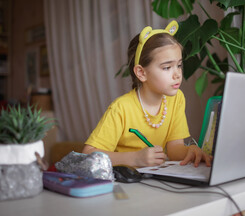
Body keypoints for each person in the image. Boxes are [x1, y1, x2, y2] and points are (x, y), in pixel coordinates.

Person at [82, 20, 212, 168]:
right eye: (167, 67)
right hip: (125, 186)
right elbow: (87, 155)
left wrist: (190, 151)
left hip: (155, 183)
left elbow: (174, 149)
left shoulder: (176, 99)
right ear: (141, 73)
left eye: (179, 65)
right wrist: (134, 158)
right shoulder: (121, 108)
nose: (177, 74)